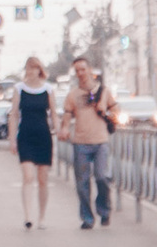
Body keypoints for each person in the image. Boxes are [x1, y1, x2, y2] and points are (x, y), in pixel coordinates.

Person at [62, 54, 119, 228]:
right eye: (77, 70)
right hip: (80, 143)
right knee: (82, 184)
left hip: (101, 141)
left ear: (90, 70)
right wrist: (64, 128)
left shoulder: (104, 91)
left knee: (102, 178)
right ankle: (87, 218)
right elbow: (67, 115)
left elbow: (117, 114)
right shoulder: (73, 95)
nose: (80, 73)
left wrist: (106, 112)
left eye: (83, 69)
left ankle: (104, 211)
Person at [13, 54, 55, 225]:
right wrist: (11, 139)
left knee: (43, 178)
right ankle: (28, 216)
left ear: (40, 70)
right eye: (29, 68)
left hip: (43, 136)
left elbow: (53, 113)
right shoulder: (19, 88)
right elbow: (14, 114)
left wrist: (59, 129)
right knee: (28, 176)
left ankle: (42, 217)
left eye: (35, 68)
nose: (31, 71)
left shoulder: (48, 89)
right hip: (25, 136)